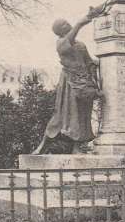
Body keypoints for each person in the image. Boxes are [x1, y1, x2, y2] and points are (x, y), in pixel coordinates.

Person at [33, 9, 104, 155]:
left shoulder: (81, 44)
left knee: (83, 113)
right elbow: (68, 42)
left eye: (66, 22)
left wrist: (97, 70)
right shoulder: (61, 43)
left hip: (84, 82)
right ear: (59, 32)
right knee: (62, 115)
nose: (67, 25)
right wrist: (80, 23)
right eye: (63, 25)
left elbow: (88, 62)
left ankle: (77, 147)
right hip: (69, 83)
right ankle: (43, 144)